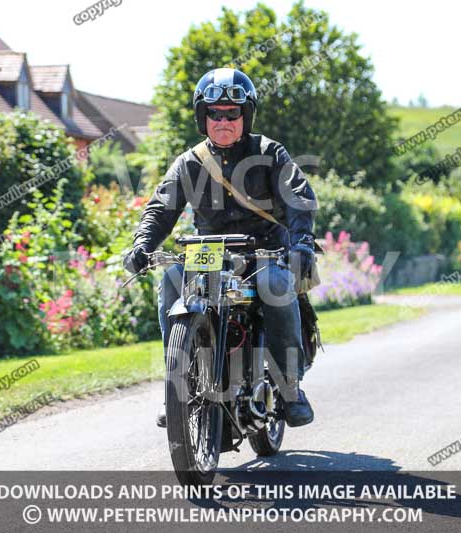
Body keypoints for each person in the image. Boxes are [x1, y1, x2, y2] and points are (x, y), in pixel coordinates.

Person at [123, 68, 317, 428]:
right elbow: (159, 209)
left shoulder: (269, 153)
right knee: (170, 280)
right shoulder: (190, 162)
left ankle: (290, 386)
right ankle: (179, 389)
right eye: (215, 112)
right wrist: (142, 244)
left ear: (246, 116)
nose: (223, 120)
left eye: (232, 113)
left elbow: (299, 199)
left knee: (274, 285)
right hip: (208, 254)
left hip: (264, 252)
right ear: (203, 116)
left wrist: (302, 242)